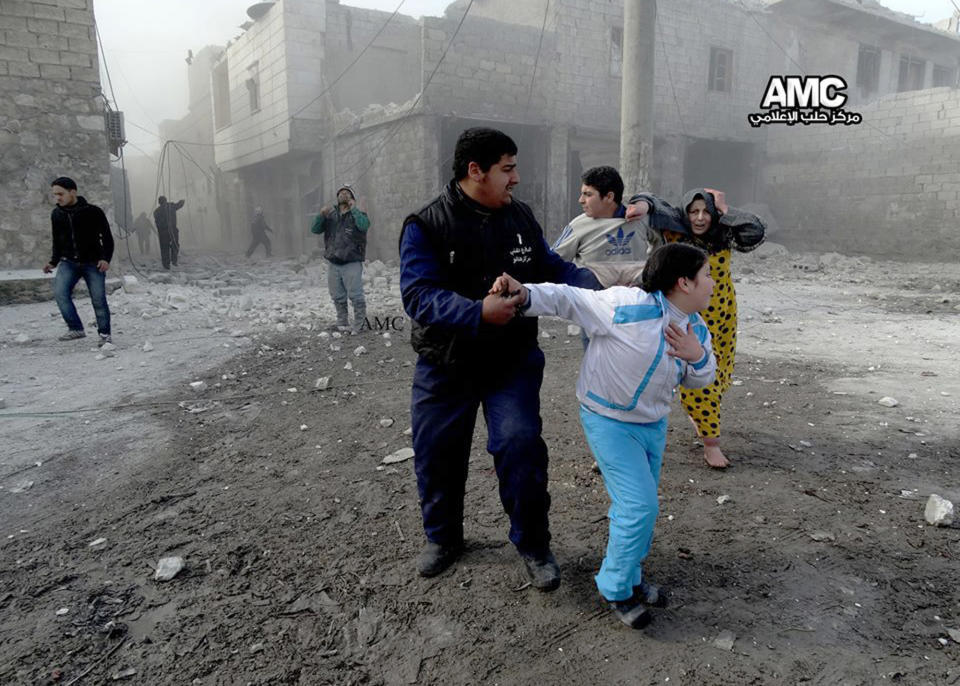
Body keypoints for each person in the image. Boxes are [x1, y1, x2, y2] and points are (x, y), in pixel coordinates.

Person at [399, 127, 601, 590]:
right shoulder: (427, 225)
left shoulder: (519, 217)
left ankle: (533, 544)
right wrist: (477, 312)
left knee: (520, 447)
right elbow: (419, 295)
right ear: (476, 171)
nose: (515, 179)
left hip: (510, 361)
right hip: (445, 363)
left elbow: (553, 268)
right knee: (438, 453)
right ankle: (443, 538)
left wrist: (601, 289)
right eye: (507, 169)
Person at [491, 242, 716, 629]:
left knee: (638, 506)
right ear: (684, 282)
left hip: (653, 424)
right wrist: (525, 293)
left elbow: (702, 378)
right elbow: (568, 298)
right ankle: (615, 587)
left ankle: (630, 574)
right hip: (609, 421)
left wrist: (696, 356)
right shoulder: (624, 305)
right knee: (639, 506)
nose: (713, 282)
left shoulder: (695, 328)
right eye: (707, 275)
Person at [626, 189, 765, 468]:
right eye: (693, 211)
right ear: (684, 213)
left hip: (722, 317)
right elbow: (652, 202)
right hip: (683, 317)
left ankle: (700, 419)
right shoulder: (675, 234)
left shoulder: (723, 234)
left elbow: (755, 231)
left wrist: (726, 210)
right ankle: (711, 443)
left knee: (718, 375)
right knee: (694, 381)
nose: (700, 218)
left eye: (705, 211)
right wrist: (641, 204)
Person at [551, 165, 648, 349]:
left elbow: (665, 244)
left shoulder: (640, 220)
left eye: (588, 194)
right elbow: (552, 260)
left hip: (635, 312)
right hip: (595, 314)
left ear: (609, 196)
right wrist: (584, 281)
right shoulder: (579, 225)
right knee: (596, 367)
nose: (581, 200)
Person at [42, 176, 114, 346]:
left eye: (60, 194)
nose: (57, 198)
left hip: (93, 263)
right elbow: (57, 240)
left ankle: (105, 334)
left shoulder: (93, 212)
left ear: (72, 192)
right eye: (55, 195)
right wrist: (53, 261)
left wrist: (105, 258)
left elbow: (107, 238)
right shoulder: (57, 214)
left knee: (98, 299)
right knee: (60, 294)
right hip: (68, 263)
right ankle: (76, 329)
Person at [310, 185, 370, 331]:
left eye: (347, 193)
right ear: (337, 198)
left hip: (352, 260)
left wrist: (355, 209)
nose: (343, 194)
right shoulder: (331, 214)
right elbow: (315, 229)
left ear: (352, 198)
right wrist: (321, 215)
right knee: (337, 295)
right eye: (341, 193)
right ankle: (342, 322)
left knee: (355, 294)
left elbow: (364, 226)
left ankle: (360, 324)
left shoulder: (358, 213)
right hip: (333, 261)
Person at [153, 195, 185, 270]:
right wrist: (183, 200)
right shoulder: (171, 206)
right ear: (165, 200)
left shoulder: (157, 211)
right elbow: (179, 205)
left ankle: (166, 264)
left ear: (159, 202)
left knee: (164, 248)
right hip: (172, 230)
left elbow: (157, 222)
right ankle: (174, 260)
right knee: (175, 245)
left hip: (163, 232)